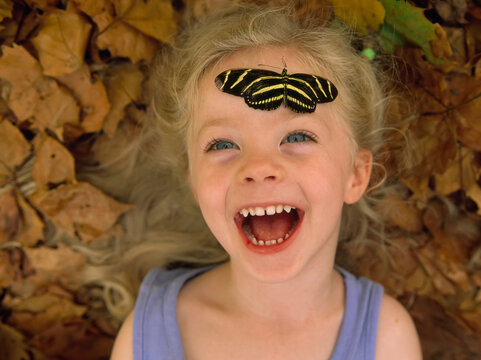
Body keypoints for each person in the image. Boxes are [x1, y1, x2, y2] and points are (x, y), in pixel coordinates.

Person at [109, 2, 422, 359]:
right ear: (194, 183)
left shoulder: (386, 337)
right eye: (223, 144)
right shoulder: (147, 333)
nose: (258, 166)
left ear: (356, 174)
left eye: (298, 136)